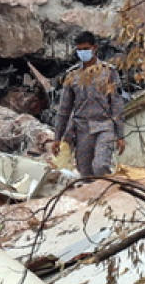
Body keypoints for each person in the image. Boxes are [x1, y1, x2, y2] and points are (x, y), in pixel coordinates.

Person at [52, 31, 125, 177]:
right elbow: (64, 109)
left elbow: (116, 104)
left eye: (86, 49)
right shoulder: (73, 75)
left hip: (104, 126)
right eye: (79, 50)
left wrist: (120, 135)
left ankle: (106, 187)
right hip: (82, 129)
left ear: (94, 48)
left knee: (100, 166)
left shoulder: (108, 72)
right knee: (85, 172)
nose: (82, 53)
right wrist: (57, 137)